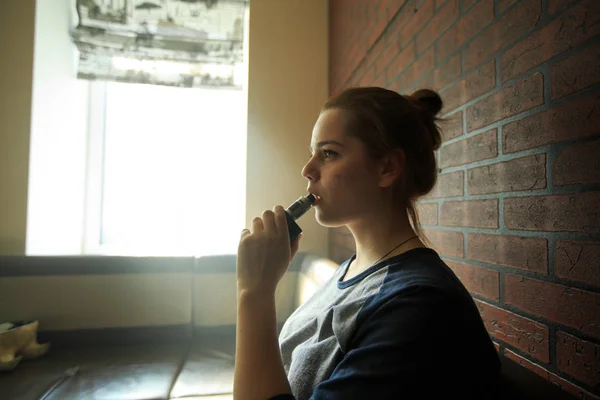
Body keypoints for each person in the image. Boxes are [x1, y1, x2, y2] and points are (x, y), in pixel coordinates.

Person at [233, 87, 501, 400]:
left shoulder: (418, 305)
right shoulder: (351, 271)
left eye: (329, 153)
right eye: (312, 153)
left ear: (387, 168)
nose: (307, 169)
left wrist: (254, 293)